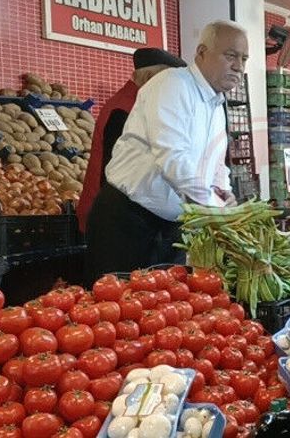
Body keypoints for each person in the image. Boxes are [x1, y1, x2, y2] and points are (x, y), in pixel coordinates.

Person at [85, 20, 247, 281]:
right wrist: (217, 210)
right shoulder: (172, 85)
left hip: (170, 227)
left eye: (244, 58)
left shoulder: (216, 104)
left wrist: (222, 190)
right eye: (231, 56)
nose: (239, 66)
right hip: (127, 222)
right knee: (117, 310)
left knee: (168, 312)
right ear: (202, 53)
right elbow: (173, 157)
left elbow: (214, 162)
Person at [76, 48, 186, 233]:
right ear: (150, 77)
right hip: (117, 216)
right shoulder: (124, 109)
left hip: (131, 214)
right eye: (169, 80)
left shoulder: (139, 103)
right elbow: (114, 171)